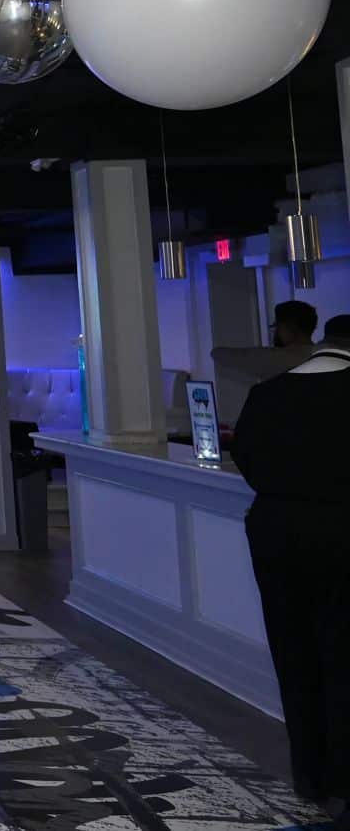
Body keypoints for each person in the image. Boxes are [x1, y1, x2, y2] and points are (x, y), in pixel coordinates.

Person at [231, 312, 350, 821]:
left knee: (293, 648)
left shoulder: (269, 394)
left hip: (276, 529)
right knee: (343, 651)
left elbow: (248, 459)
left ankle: (310, 772)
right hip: (344, 530)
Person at [211, 299, 318, 424]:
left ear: (288, 328)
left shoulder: (277, 358)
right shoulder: (321, 354)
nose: (276, 332)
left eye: (277, 327)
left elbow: (219, 354)